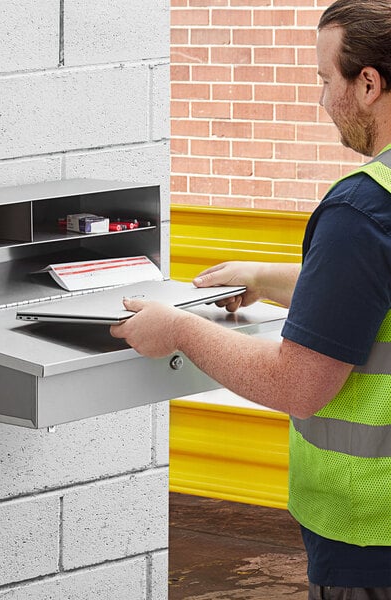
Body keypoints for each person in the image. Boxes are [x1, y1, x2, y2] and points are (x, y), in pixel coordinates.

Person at [110, 1, 391, 598]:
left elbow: (298, 385)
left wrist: (180, 331)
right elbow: (372, 292)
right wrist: (266, 277)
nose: (322, 101)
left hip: (371, 535)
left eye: (325, 80)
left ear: (368, 83)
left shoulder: (360, 210)